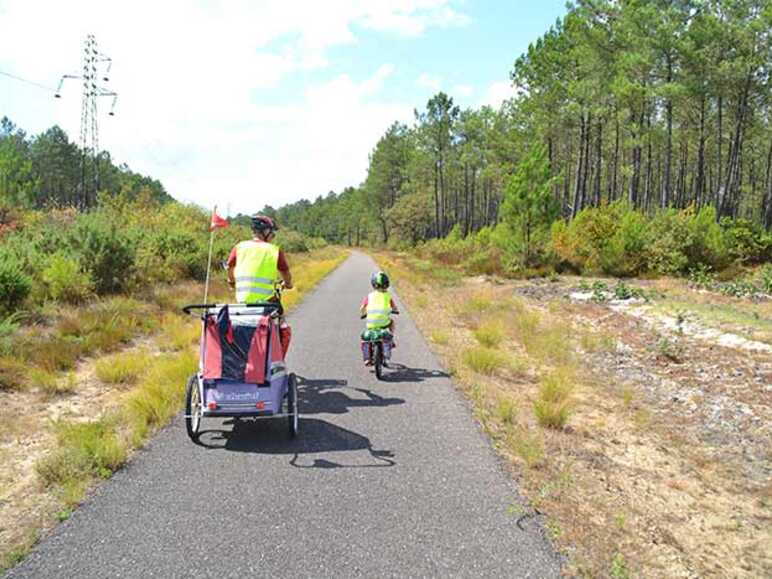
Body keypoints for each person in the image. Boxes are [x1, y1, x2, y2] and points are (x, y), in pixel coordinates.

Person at [227, 214, 293, 355]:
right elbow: (286, 273)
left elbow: (230, 268)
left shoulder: (239, 247)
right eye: (272, 232)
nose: (273, 235)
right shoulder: (273, 250)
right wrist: (288, 284)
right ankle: (276, 362)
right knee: (284, 330)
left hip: (242, 304)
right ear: (265, 231)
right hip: (267, 305)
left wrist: (231, 282)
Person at [359, 271, 399, 366]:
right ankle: (391, 339)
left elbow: (362, 308)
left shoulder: (370, 296)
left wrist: (363, 314)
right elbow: (394, 307)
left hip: (371, 324)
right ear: (387, 284)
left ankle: (367, 359)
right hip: (384, 322)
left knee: (367, 338)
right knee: (392, 322)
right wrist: (395, 311)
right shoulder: (388, 296)